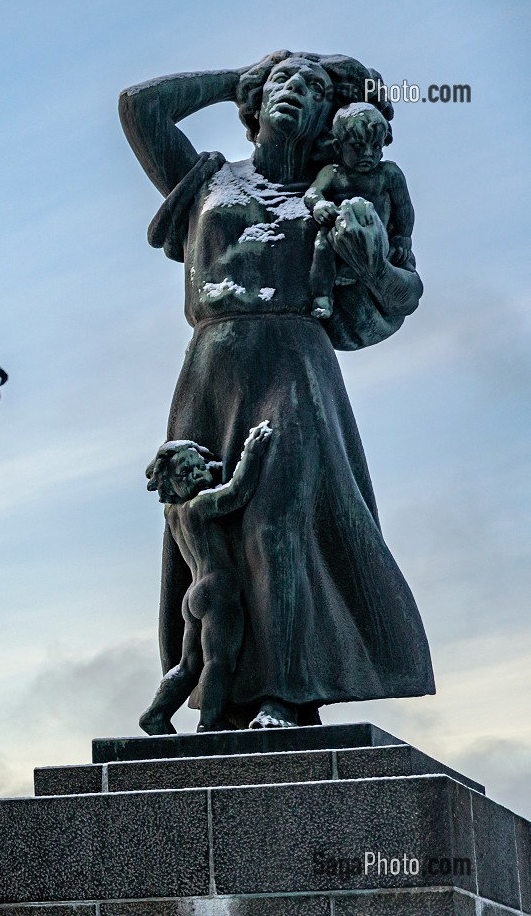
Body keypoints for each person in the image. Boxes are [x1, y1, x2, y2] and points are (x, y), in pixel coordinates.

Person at [118, 51, 435, 730]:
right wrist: (236, 75)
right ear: (255, 103)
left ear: (330, 115)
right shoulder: (207, 179)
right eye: (283, 82)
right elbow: (139, 107)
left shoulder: (348, 191)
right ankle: (222, 696)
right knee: (208, 536)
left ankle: (285, 696)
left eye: (315, 88)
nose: (296, 92)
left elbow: (405, 290)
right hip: (209, 367)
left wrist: (372, 261)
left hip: (293, 365)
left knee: (275, 524)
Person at [139, 423, 272, 735]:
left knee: (188, 665)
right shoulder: (200, 506)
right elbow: (237, 492)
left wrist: (206, 465)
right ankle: (210, 722)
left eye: (197, 467)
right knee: (218, 661)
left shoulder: (173, 512)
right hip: (218, 591)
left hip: (195, 593)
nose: (197, 475)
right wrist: (251, 453)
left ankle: (156, 714)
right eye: (186, 473)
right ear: (171, 483)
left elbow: (208, 473)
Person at [305, 102, 416, 319]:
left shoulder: (388, 173)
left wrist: (403, 237)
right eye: (358, 146)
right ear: (339, 147)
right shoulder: (333, 172)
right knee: (322, 245)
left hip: (376, 235)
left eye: (376, 147)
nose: (368, 154)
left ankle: (355, 271)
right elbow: (313, 193)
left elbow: (404, 208)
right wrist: (319, 205)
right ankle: (322, 296)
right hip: (336, 233)